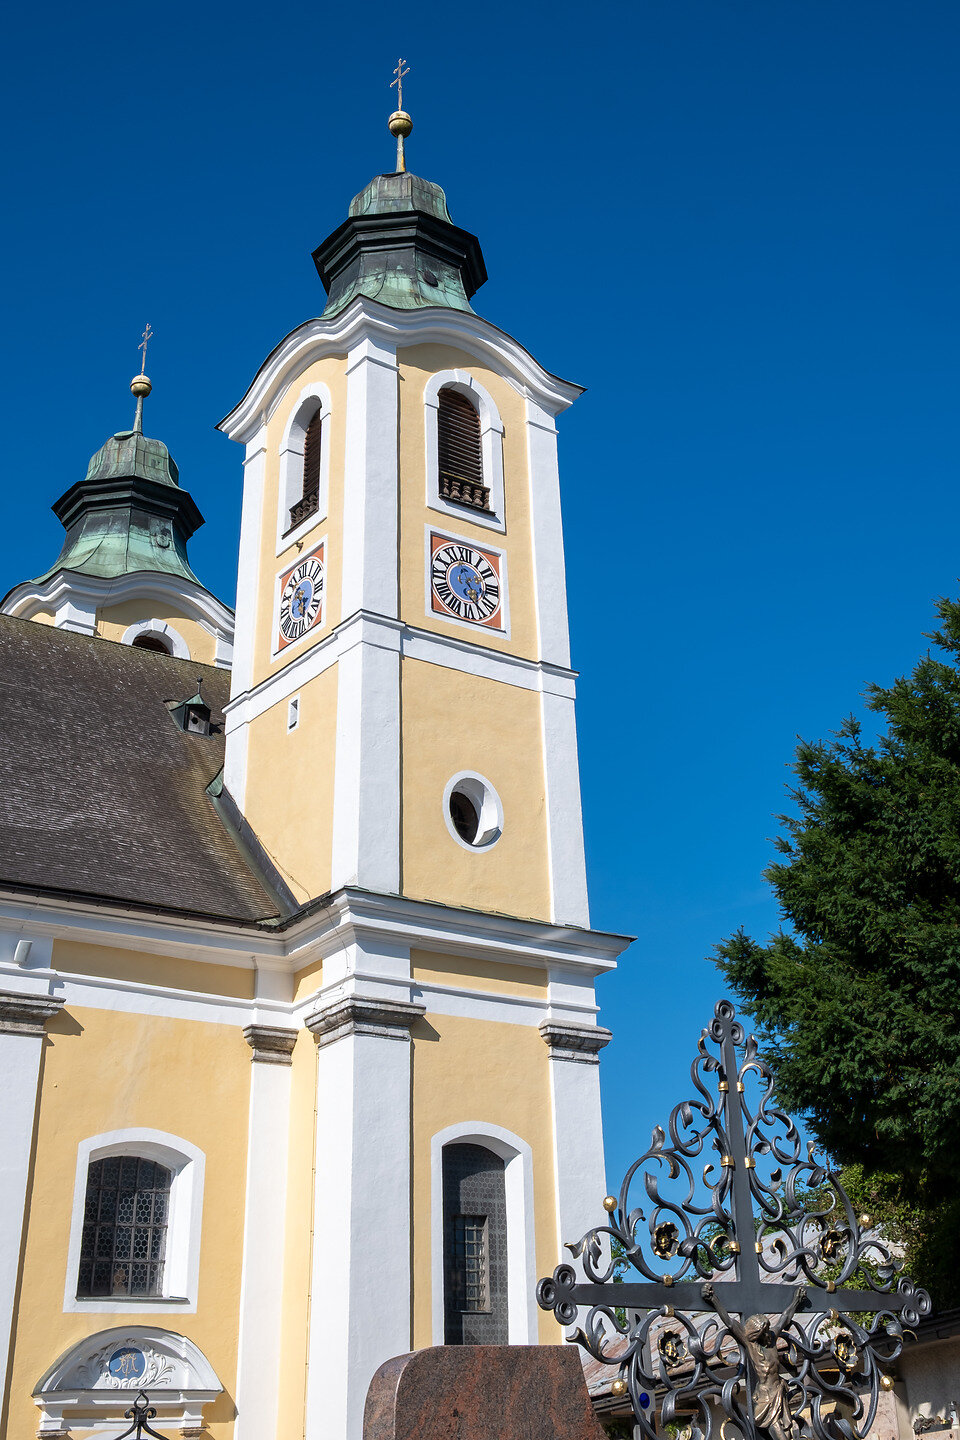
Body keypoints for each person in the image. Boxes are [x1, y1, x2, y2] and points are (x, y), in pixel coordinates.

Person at [701, 1281, 805, 1440]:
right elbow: (730, 1322)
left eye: (767, 1330)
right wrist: (713, 1299)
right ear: (756, 1334)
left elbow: (784, 1319)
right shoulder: (752, 1346)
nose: (767, 1334)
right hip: (765, 1396)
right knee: (780, 1435)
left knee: (789, 1433)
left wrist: (796, 1300)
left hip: (779, 1390)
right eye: (763, 1332)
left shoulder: (771, 1339)